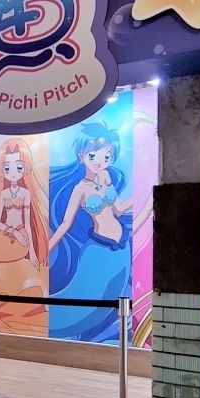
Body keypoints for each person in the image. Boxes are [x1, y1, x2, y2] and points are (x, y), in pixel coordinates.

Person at [48, 121, 134, 342]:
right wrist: (47, 249)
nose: (100, 161)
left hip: (121, 246)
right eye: (93, 155)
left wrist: (144, 195)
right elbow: (66, 223)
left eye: (107, 156)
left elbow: (119, 209)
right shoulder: (80, 188)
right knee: (89, 303)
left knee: (115, 296)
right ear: (81, 155)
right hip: (98, 250)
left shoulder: (106, 179)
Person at [0, 137, 48, 335]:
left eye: (18, 167)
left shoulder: (26, 194)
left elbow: (28, 223)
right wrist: (11, 231)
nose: (13, 172)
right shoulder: (4, 194)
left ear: (25, 169)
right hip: (8, 234)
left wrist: (31, 251)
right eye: (7, 168)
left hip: (21, 238)